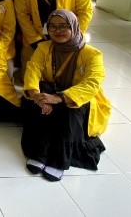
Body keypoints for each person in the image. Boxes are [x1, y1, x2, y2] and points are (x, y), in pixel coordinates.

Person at [22, 9, 111, 181]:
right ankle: (40, 154)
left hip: (80, 98)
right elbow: (32, 70)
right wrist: (37, 96)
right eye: (53, 27)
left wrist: (59, 98)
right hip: (51, 93)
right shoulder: (44, 47)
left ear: (74, 27)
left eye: (63, 26)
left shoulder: (92, 54)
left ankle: (58, 161)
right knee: (38, 98)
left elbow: (91, 84)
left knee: (70, 112)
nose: (57, 31)